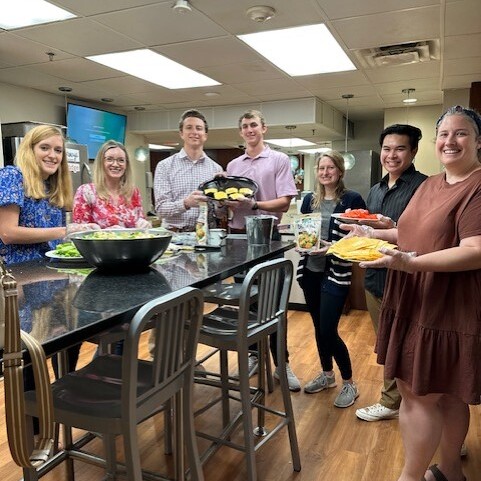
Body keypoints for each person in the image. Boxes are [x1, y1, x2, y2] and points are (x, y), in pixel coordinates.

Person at [345, 105, 481, 481]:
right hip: (414, 296)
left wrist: (410, 264)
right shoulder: (432, 184)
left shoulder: (478, 186)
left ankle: (410, 476)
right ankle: (451, 471)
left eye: (461, 133)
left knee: (419, 394)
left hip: (446, 303)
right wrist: (373, 234)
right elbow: (410, 233)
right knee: (448, 392)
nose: (450, 140)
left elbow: (475, 250)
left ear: (478, 141)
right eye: (444, 134)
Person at [0, 124, 96, 431]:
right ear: (30, 149)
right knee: (29, 358)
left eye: (57, 150)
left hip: (51, 283)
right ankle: (34, 433)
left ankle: (62, 406)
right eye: (45, 148)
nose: (52, 155)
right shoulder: (12, 177)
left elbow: (54, 245)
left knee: (67, 342)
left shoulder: (53, 187)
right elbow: (7, 233)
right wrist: (65, 231)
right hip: (21, 285)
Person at [355, 124, 428, 422]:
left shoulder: (425, 187)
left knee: (412, 346)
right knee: (386, 342)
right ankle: (392, 401)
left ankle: (422, 409)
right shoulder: (376, 189)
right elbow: (372, 233)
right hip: (375, 278)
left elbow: (425, 236)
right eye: (387, 148)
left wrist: (389, 230)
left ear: (413, 151)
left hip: (407, 280)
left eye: (400, 148)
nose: (391, 155)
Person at [224, 109, 300, 391]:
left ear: (263, 128)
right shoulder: (233, 165)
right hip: (238, 240)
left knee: (274, 305)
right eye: (244, 126)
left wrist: (253, 204)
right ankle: (255, 357)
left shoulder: (278, 159)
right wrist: (226, 201)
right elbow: (230, 203)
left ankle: (282, 364)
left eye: (253, 124)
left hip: (268, 241)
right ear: (241, 131)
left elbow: (284, 202)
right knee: (248, 305)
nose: (249, 130)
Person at [297, 150, 366, 407]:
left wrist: (331, 247)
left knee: (328, 330)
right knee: (318, 328)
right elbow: (304, 231)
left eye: (330, 167)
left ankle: (349, 383)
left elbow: (360, 234)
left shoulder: (351, 198)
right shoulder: (309, 200)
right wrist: (302, 244)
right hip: (310, 272)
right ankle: (327, 375)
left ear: (340, 171)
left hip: (336, 273)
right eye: (321, 168)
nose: (325, 172)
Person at [153, 109, 222, 231]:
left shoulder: (216, 169)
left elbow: (220, 214)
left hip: (206, 237)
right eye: (189, 127)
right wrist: (185, 203)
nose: (194, 132)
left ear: (205, 135)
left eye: (199, 128)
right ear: (181, 133)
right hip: (174, 237)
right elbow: (161, 209)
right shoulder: (165, 166)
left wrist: (222, 203)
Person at [73, 140, 151, 229]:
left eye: (121, 160)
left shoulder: (133, 192)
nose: (115, 164)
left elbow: (140, 222)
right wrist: (106, 233)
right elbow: (80, 232)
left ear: (126, 165)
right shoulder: (86, 192)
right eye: (109, 159)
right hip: (100, 243)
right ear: (101, 163)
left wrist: (144, 224)